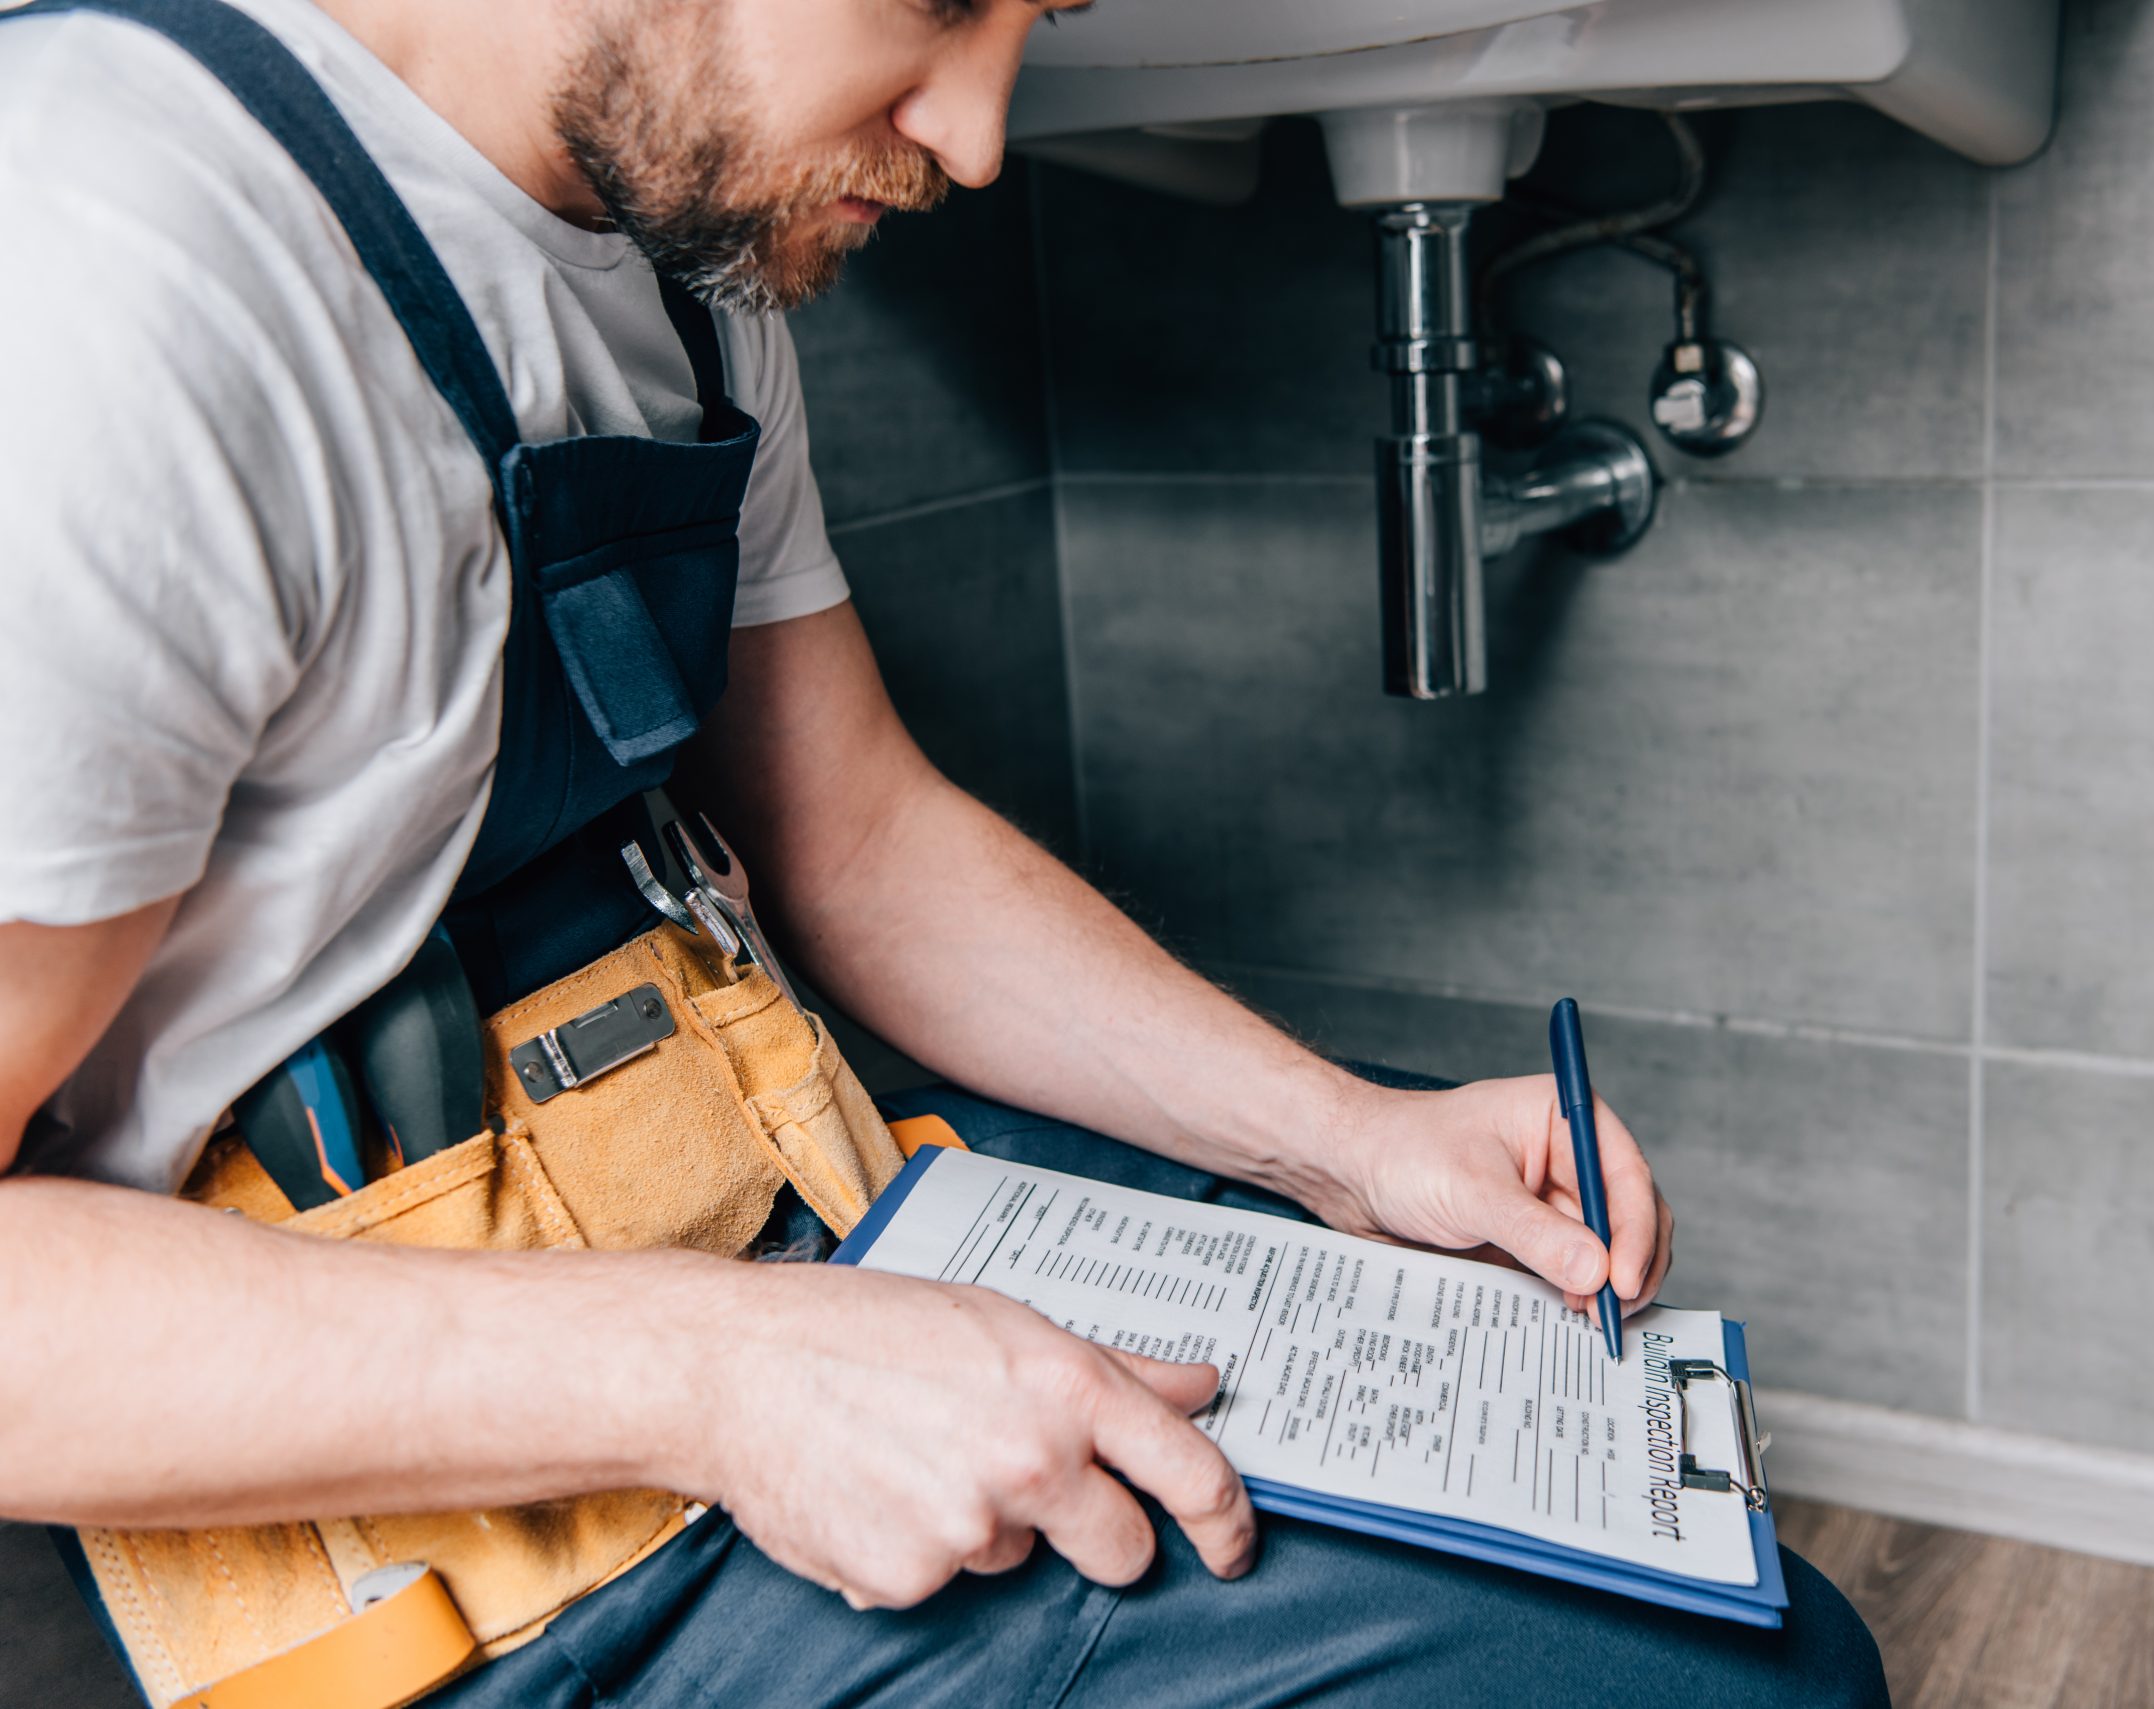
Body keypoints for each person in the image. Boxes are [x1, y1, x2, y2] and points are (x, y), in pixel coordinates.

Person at [0, 0, 1890, 1703]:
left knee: (1675, 1544)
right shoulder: (113, 265)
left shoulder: (683, 231)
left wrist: (1347, 1138)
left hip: (759, 1215)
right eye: (936, 2)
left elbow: (855, 835)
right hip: (421, 1547)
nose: (981, 132)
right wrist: (728, 1375)